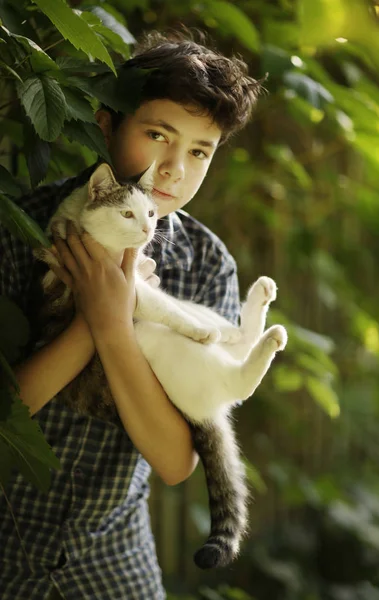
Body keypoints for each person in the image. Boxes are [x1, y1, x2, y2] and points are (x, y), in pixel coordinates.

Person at [0, 30, 263, 599]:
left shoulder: (205, 263)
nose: (173, 169)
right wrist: (85, 322)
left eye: (199, 151)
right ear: (105, 121)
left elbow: (175, 462)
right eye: (157, 135)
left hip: (115, 570)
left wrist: (115, 324)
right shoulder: (19, 230)